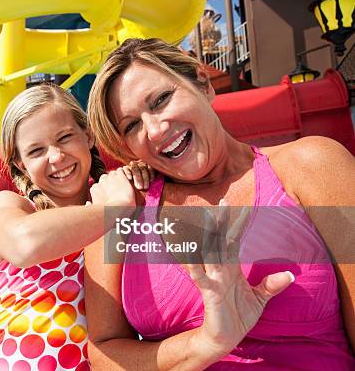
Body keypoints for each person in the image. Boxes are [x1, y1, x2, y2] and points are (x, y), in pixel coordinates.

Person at [84, 38, 355, 370]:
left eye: (161, 100)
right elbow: (104, 353)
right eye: (132, 125)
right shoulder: (121, 210)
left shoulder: (313, 165)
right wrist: (206, 343)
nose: (154, 130)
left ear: (202, 82)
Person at [0, 83, 152, 371]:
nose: (56, 157)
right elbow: (25, 245)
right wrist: (115, 209)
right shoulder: (9, 207)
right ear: (20, 164)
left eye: (65, 137)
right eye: (36, 151)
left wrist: (146, 178)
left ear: (88, 135)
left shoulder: (118, 199)